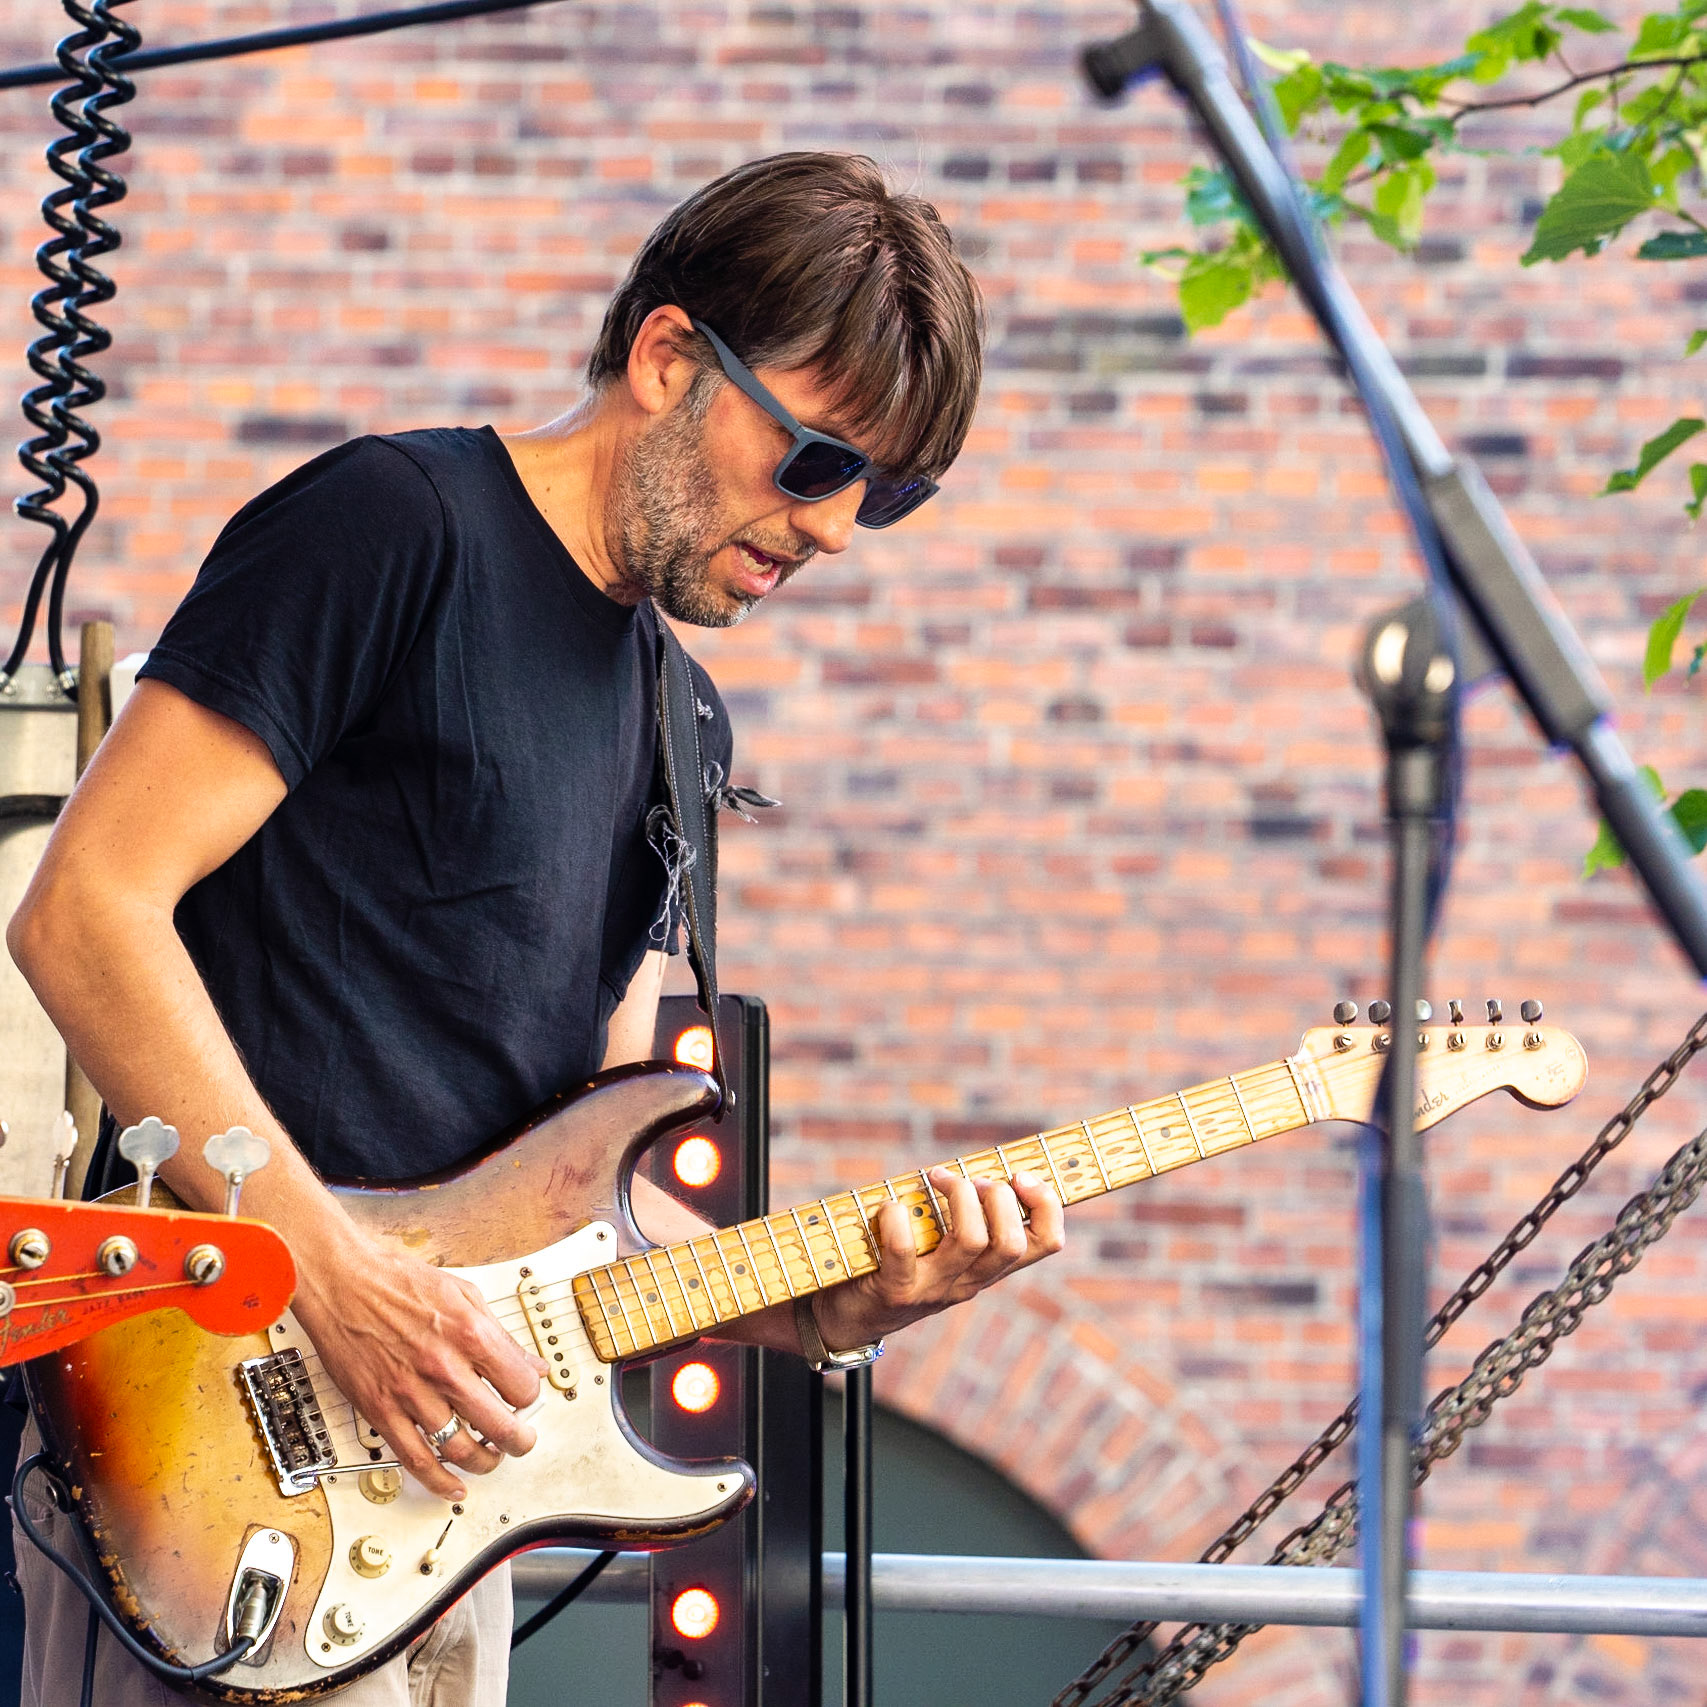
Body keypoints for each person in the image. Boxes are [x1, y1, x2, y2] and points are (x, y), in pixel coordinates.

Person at [4, 151, 1065, 1706]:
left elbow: (581, 1190)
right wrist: (337, 1281)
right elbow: (84, 912)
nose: (837, 532)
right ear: (665, 361)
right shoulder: (391, 529)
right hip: (203, 1441)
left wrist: (821, 1303)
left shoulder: (679, 724)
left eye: (887, 498)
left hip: (435, 1509)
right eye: (820, 461)